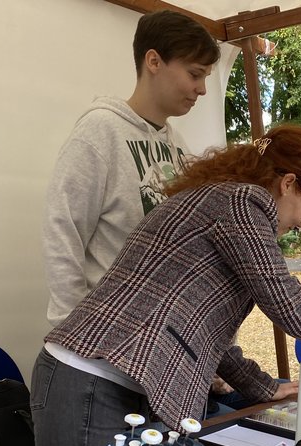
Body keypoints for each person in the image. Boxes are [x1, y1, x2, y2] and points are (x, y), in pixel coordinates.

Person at [31, 124, 301, 446]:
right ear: (288, 184)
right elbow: (290, 306)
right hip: (91, 380)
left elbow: (206, 336)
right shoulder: (244, 202)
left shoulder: (219, 199)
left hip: (106, 380)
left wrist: (265, 388)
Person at [41, 10, 220, 328]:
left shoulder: (177, 145)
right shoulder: (101, 130)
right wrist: (72, 329)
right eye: (195, 74)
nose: (203, 89)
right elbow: (62, 230)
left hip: (158, 343)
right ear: (154, 61)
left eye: (206, 77)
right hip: (105, 345)